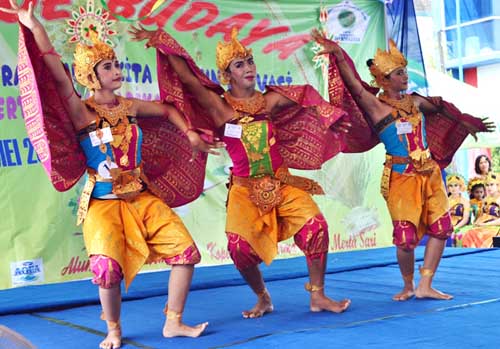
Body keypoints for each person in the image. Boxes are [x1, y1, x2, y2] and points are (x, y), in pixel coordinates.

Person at [0, 1, 224, 348]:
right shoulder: (81, 113)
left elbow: (166, 109)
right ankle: (114, 330)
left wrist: (191, 133)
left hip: (142, 197)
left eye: (117, 64)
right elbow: (55, 71)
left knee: (186, 252)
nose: (117, 70)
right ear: (91, 76)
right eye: (108, 66)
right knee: (106, 270)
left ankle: (174, 322)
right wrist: (33, 25)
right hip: (103, 202)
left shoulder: (131, 107)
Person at [129, 25, 352, 318]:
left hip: (281, 182)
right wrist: (162, 41)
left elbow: (307, 96)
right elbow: (186, 78)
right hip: (244, 190)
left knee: (316, 228)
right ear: (227, 75)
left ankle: (318, 295)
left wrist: (329, 116)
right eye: (239, 64)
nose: (248, 68)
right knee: (239, 249)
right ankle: (263, 297)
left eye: (250, 61)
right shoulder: (221, 108)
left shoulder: (270, 101)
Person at [311, 29, 494, 301]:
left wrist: (465, 121)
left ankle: (426, 284)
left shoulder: (417, 101)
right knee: (406, 238)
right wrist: (338, 54)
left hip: (430, 173)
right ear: (384, 79)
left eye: (405, 71)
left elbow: (443, 109)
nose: (405, 76)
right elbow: (355, 88)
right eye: (398, 73)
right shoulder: (376, 107)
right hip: (400, 176)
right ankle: (408, 285)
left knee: (442, 228)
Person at [462, 173, 500, 248]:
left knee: (477, 234)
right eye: (487, 185)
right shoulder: (486, 199)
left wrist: (485, 224)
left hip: (495, 227)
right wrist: (477, 223)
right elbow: (481, 215)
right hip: (483, 225)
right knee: (468, 233)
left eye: (492, 184)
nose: (489, 187)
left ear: (498, 185)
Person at [446, 174, 470, 246]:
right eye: (451, 186)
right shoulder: (445, 201)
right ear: (448, 188)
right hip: (446, 224)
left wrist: (455, 227)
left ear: (460, 186)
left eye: (456, 185)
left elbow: (465, 219)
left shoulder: (465, 201)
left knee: (458, 235)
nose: (453, 188)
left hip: (460, 225)